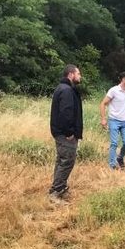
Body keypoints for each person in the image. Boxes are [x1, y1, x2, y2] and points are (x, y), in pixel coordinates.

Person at [48, 65, 83, 205]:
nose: (80, 76)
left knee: (62, 160)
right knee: (67, 161)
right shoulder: (67, 90)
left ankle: (60, 188)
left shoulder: (62, 88)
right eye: (78, 74)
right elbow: (66, 113)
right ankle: (55, 193)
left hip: (60, 132)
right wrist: (69, 132)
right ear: (71, 75)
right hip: (65, 134)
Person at [100, 72, 125, 170]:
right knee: (114, 143)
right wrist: (103, 119)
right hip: (114, 120)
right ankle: (112, 165)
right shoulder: (114, 90)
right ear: (124, 79)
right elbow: (103, 103)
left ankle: (120, 158)